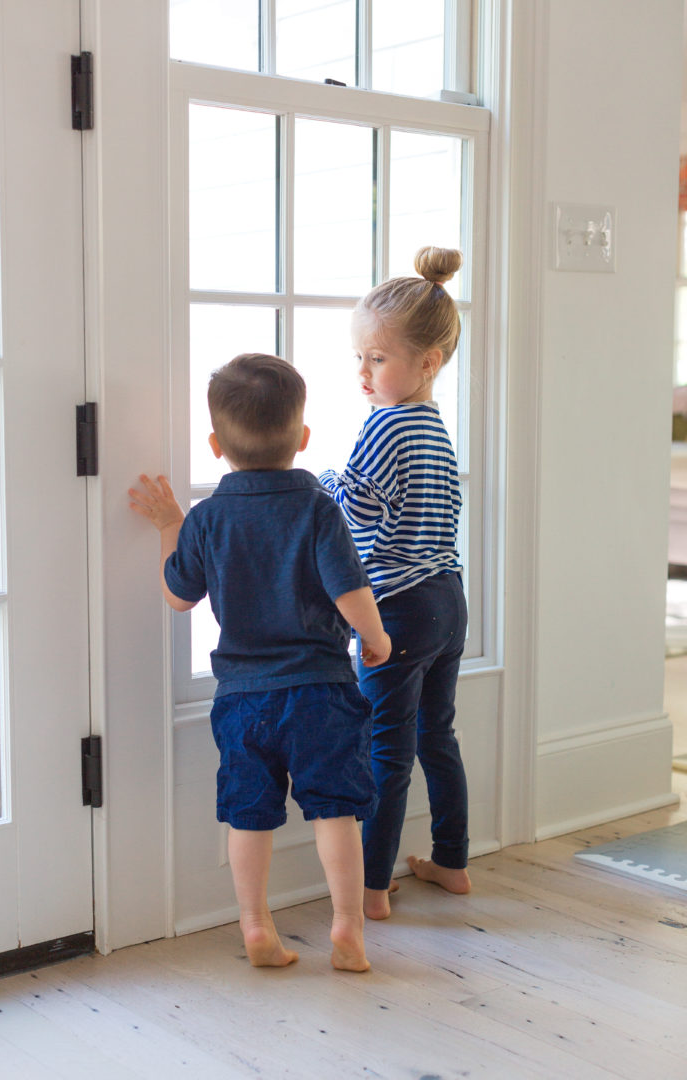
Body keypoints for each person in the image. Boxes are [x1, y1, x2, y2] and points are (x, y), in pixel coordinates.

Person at [129, 353, 390, 971]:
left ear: (216, 444)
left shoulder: (209, 519)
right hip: (321, 691)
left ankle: (255, 927)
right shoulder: (318, 510)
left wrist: (171, 524)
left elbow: (176, 595)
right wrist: (372, 636)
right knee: (336, 808)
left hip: (243, 699)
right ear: (302, 438)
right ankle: (348, 926)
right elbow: (349, 588)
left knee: (250, 813)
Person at [320, 246, 470, 921]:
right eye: (359, 359)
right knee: (436, 734)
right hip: (446, 599)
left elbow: (352, 514)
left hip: (399, 609)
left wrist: (321, 481)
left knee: (386, 746)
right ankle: (452, 860)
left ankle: (373, 886)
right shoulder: (434, 427)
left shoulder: (384, 426)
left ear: (427, 363)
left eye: (376, 359)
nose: (362, 374)